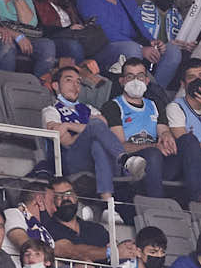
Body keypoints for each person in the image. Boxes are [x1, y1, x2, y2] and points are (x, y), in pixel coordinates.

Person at [102, 58, 201, 201]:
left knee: (189, 139)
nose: (136, 81)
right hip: (133, 167)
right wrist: (154, 146)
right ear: (121, 81)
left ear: (147, 80)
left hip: (161, 164)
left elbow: (163, 131)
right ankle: (157, 204)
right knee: (153, 153)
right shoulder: (113, 106)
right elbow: (120, 146)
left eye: (140, 76)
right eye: (130, 77)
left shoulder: (155, 105)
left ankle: (200, 198)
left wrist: (167, 137)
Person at [44, 66, 145, 205]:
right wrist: (88, 130)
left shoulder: (88, 108)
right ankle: (125, 160)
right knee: (95, 127)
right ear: (56, 85)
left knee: (97, 144)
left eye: (78, 82)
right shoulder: (51, 111)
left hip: (95, 159)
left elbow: (103, 125)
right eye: (69, 80)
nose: (75, 85)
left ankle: (107, 203)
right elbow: (67, 141)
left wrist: (69, 125)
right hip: (71, 161)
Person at [77, 0, 182, 87]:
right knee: (131, 48)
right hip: (103, 49)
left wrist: (152, 42)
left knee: (172, 50)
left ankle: (156, 91)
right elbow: (103, 30)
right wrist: (141, 48)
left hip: (133, 47)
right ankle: (141, 90)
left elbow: (141, 28)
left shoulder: (127, 1)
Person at [46, 177, 118, 268]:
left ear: (76, 196)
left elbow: (116, 253)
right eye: (59, 196)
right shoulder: (49, 228)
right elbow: (69, 250)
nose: (66, 198)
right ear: (52, 201)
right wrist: (109, 252)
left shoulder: (96, 229)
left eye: (69, 193)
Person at [4, 183, 56, 264]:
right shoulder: (12, 213)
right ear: (39, 200)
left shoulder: (43, 231)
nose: (55, 209)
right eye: (52, 202)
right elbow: (22, 241)